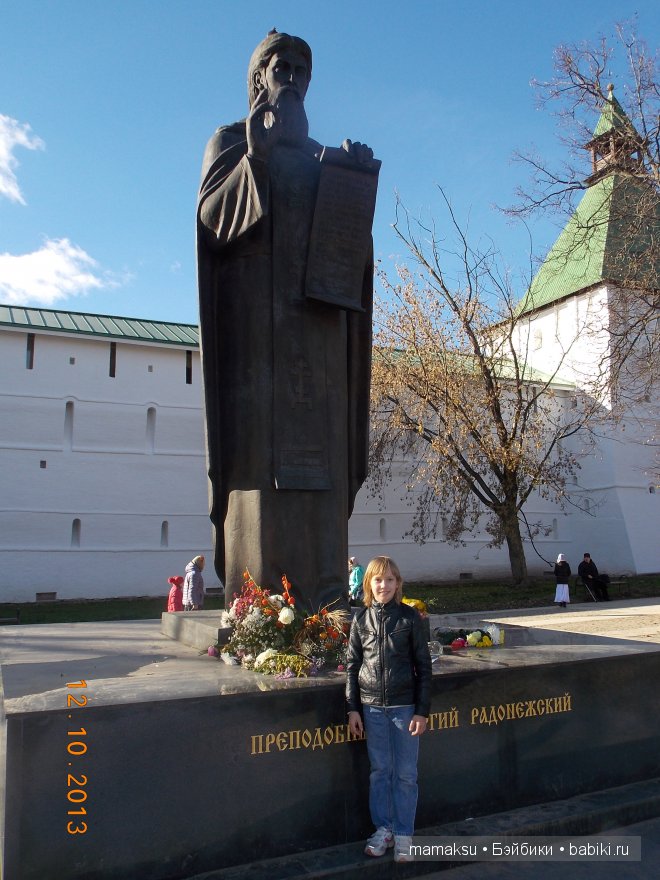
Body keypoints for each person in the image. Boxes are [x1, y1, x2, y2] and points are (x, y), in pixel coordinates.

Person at [196, 30, 376, 612]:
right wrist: (257, 157)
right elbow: (212, 223)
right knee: (260, 455)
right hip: (255, 333)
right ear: (259, 79)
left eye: (302, 68)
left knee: (321, 451)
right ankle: (260, 599)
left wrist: (352, 184)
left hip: (318, 331)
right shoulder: (231, 139)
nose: (294, 76)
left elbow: (351, 255)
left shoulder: (325, 158)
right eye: (282, 66)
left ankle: (327, 591)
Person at [346, 556, 432, 864]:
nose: (384, 585)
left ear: (398, 584)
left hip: (404, 707)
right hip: (372, 708)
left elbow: (423, 666)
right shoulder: (360, 620)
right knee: (380, 772)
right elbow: (353, 667)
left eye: (390, 579)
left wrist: (422, 711)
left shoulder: (409, 619)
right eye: (378, 580)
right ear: (368, 583)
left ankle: (405, 834)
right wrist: (352, 709)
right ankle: (384, 829)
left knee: (406, 774)